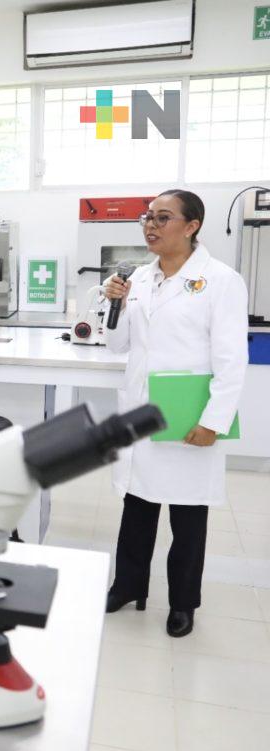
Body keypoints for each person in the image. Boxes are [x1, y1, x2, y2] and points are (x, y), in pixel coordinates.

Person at [103, 189, 248, 638]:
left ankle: (183, 603)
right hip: (142, 411)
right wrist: (115, 303)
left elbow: (231, 360)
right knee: (137, 506)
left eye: (163, 218)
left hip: (187, 414)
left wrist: (213, 421)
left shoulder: (220, 280)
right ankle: (128, 585)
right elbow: (118, 344)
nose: (151, 225)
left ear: (192, 226)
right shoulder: (140, 278)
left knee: (187, 517)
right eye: (148, 217)